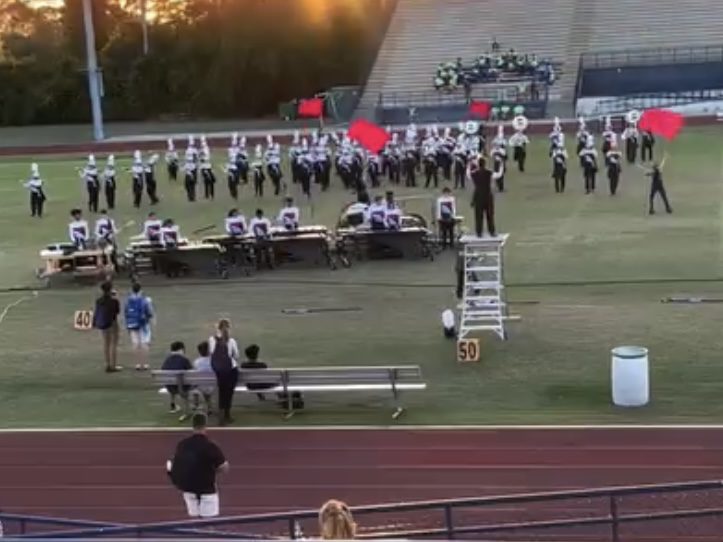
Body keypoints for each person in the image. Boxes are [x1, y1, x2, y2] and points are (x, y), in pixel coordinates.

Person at [168, 413, 229, 518]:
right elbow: (224, 467)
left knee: (194, 524)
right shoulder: (210, 445)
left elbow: (175, 461)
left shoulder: (182, 444)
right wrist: (212, 471)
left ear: (192, 425)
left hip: (188, 489)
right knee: (209, 524)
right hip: (207, 490)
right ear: (205, 425)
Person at [209, 319, 240, 425]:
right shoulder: (231, 341)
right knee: (229, 393)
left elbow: (211, 353)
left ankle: (221, 414)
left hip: (219, 370)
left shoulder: (212, 340)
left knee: (222, 392)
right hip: (231, 369)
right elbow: (236, 356)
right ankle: (227, 413)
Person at [93, 281, 121, 373]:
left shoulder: (99, 300)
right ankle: (113, 365)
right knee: (113, 344)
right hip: (113, 323)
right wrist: (116, 297)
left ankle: (107, 364)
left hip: (104, 323)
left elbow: (96, 312)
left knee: (106, 344)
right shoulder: (114, 301)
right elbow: (117, 311)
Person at [125, 282, 154, 371]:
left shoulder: (128, 300)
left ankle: (137, 363)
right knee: (144, 343)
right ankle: (144, 363)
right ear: (141, 290)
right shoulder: (145, 300)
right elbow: (150, 312)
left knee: (135, 343)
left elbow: (126, 312)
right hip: (143, 323)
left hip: (132, 323)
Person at [161, 341, 193, 419]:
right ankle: (187, 411)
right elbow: (191, 371)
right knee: (183, 380)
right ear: (181, 349)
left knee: (174, 380)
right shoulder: (184, 359)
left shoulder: (167, 360)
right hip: (182, 387)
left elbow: (163, 369)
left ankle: (173, 404)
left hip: (170, 386)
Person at [470, 156, 496, 237]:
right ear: (485, 164)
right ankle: (492, 232)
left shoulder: (474, 173)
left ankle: (479, 232)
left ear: (478, 164)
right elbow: (498, 174)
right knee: (490, 215)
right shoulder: (489, 172)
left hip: (478, 196)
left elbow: (468, 174)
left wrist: (469, 165)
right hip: (488, 196)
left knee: (478, 216)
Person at [193, 341, 215, 413]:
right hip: (213, 385)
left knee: (197, 384)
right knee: (207, 386)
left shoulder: (196, 362)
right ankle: (209, 406)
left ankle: (196, 404)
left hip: (201, 385)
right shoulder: (214, 360)